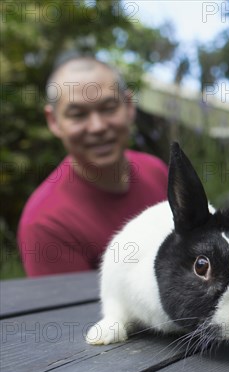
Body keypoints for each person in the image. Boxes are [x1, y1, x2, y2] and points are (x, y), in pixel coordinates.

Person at [17, 55, 169, 277]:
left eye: (108, 108)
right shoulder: (46, 224)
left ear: (128, 106)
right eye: (78, 114)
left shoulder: (156, 171)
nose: (97, 127)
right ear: (53, 121)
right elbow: (70, 311)